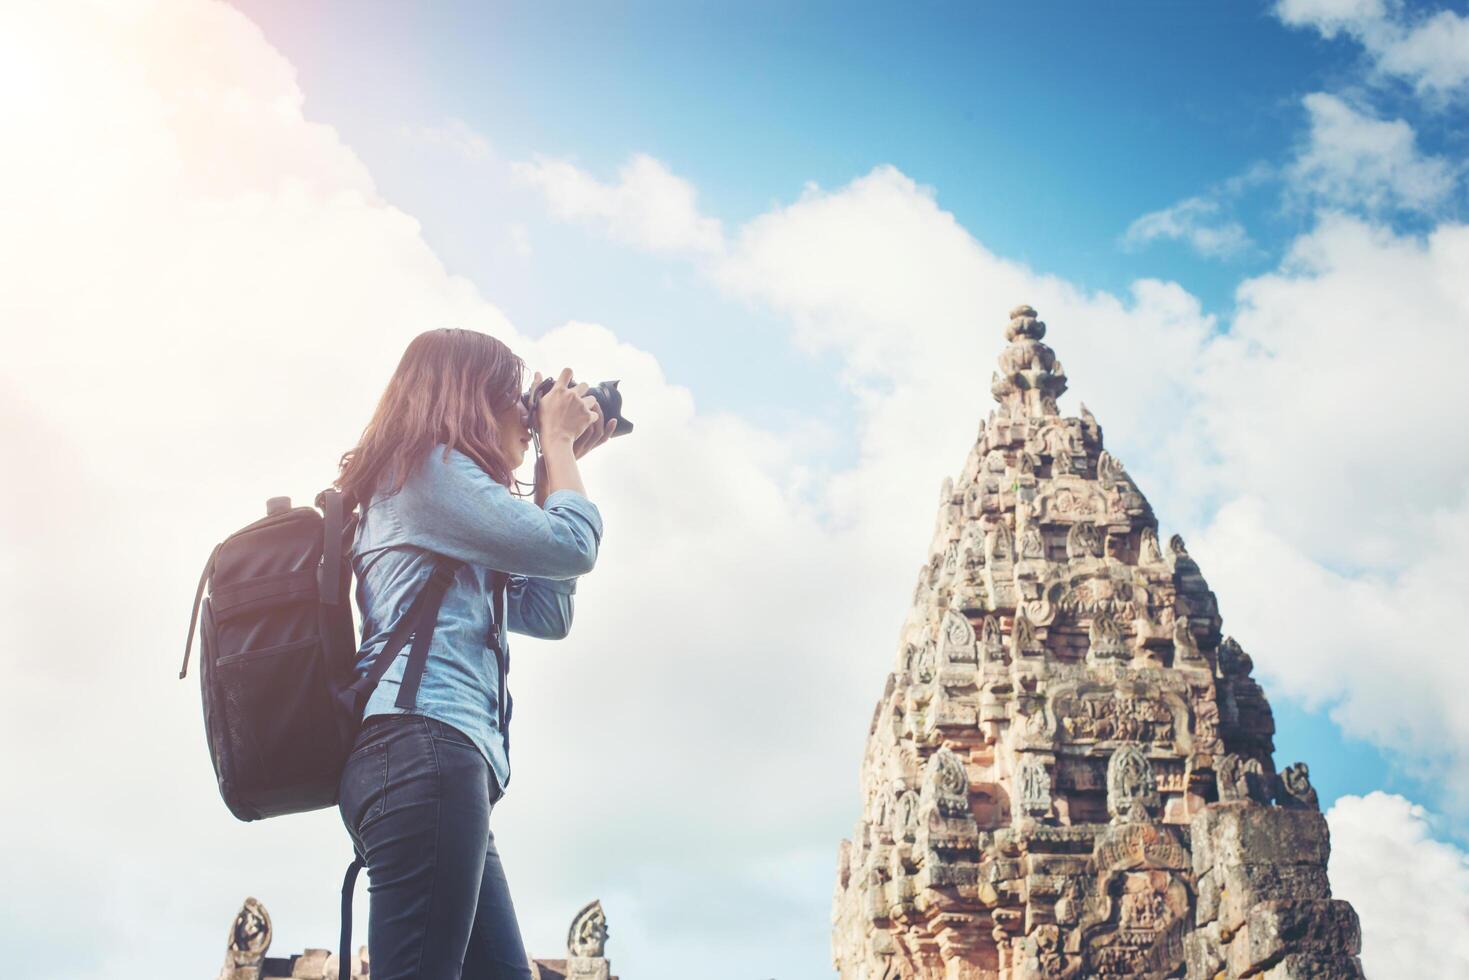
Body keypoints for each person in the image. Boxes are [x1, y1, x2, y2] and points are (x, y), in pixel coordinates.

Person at [332, 327, 614, 979]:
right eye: (515, 399)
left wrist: (552, 467)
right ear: (470, 396)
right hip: (425, 750)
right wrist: (562, 444)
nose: (526, 414)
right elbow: (573, 547)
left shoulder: (437, 497)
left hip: (433, 761)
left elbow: (547, 610)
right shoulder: (427, 468)